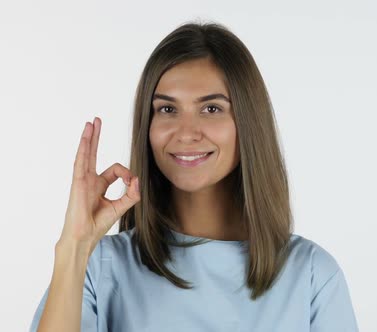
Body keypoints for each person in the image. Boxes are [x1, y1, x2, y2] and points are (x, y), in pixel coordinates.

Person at [29, 21, 359, 332]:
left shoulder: (312, 275)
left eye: (211, 108)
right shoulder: (97, 267)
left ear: (247, 123)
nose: (186, 133)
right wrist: (73, 245)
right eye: (167, 109)